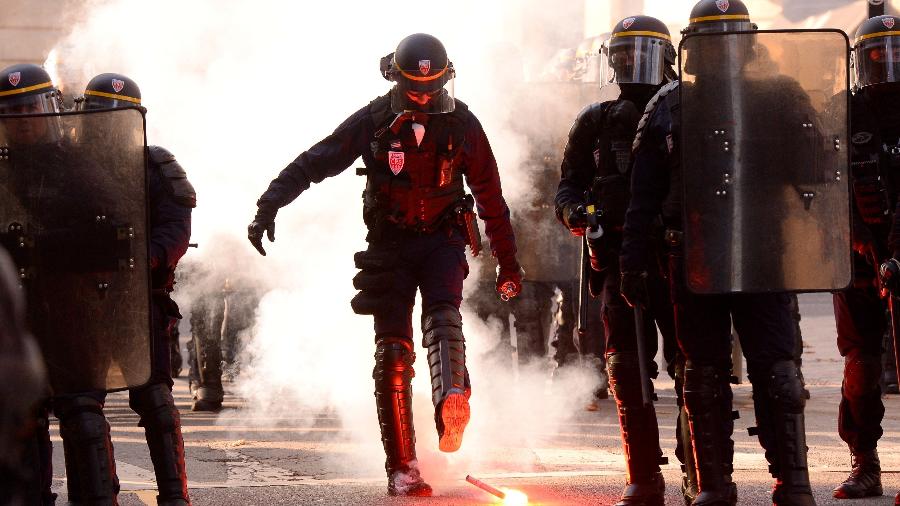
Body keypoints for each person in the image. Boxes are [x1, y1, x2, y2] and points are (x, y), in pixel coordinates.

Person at [247, 33, 521, 496]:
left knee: (443, 320)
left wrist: (508, 265)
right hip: (389, 245)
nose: (422, 97)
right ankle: (403, 468)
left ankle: (451, 403)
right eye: (414, 87)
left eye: (430, 88)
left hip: (443, 242)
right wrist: (267, 206)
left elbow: (492, 198)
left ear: (444, 79)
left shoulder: (463, 125)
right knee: (393, 355)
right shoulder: (373, 121)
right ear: (395, 77)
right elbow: (316, 161)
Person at [620, 1, 826, 504]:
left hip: (761, 251)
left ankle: (790, 483)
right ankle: (716, 484)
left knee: (776, 369)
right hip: (693, 255)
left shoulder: (779, 97)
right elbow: (642, 197)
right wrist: (631, 260)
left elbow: (819, 173)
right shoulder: (668, 105)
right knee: (705, 370)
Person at [556, 16, 683, 505]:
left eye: (643, 53)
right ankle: (644, 475)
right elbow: (567, 182)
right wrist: (575, 210)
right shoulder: (596, 120)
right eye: (625, 55)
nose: (633, 65)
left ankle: (699, 466)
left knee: (691, 364)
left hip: (674, 257)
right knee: (626, 367)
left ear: (668, 57)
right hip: (615, 258)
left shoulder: (683, 111)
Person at [832, 14, 900, 500]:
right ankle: (865, 463)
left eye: (894, 54)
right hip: (857, 259)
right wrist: (852, 233)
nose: (886, 68)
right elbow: (815, 180)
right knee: (860, 367)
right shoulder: (842, 113)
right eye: (876, 57)